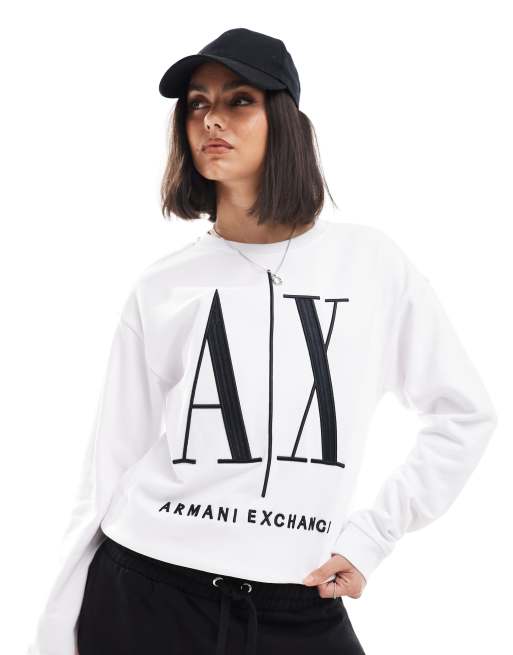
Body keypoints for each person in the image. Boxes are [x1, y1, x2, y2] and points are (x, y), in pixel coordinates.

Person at [27, 27, 498, 655]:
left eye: (239, 100)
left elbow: (464, 415)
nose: (211, 119)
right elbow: (108, 467)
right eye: (197, 103)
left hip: (297, 603)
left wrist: (371, 538)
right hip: (148, 590)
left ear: (285, 121)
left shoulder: (371, 264)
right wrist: (55, 630)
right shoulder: (164, 286)